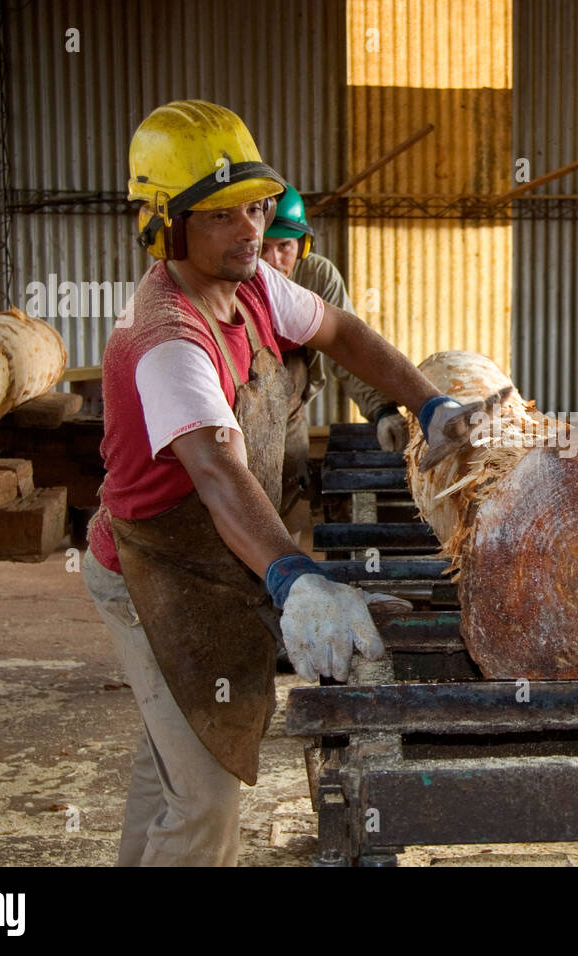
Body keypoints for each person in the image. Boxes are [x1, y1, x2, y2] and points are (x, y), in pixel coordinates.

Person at [81, 99, 481, 866]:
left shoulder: (257, 286)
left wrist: (426, 402)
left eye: (257, 208)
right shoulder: (166, 339)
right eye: (225, 215)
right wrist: (295, 575)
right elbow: (217, 470)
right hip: (151, 572)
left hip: (217, 558)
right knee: (205, 803)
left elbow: (342, 332)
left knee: (169, 758)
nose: (251, 231)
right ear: (166, 224)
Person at [257, 186, 406, 517]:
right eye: (262, 248)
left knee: (287, 509)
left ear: (303, 246)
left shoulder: (318, 276)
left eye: (284, 247)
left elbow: (346, 348)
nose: (272, 261)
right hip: (235, 415)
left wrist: (382, 410)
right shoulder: (232, 281)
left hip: (288, 413)